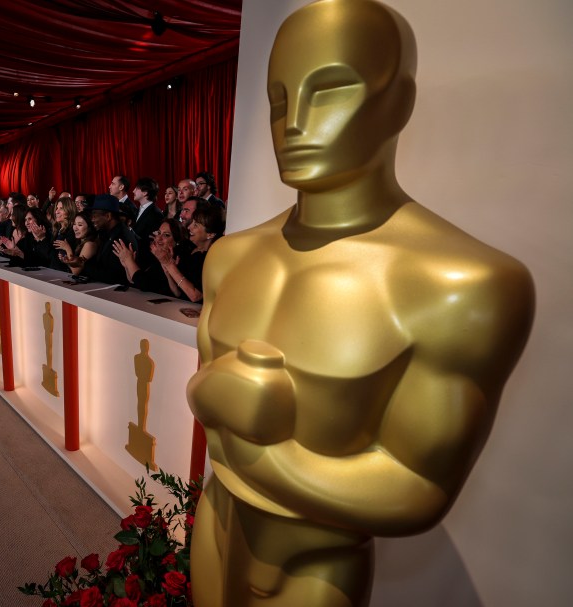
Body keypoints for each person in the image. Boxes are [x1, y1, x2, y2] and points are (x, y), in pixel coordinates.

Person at [186, 2, 535, 606]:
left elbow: (418, 487)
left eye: (329, 91)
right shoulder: (230, 257)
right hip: (215, 526)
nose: (292, 123)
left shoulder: (463, 284)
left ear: (398, 102)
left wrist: (263, 453)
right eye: (277, 100)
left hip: (314, 566)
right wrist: (216, 400)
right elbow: (206, 400)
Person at [80, 194, 138, 285]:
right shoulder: (108, 233)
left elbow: (113, 276)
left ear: (108, 216)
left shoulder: (121, 238)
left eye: (95, 215)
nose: (92, 219)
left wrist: (83, 265)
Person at [54, 210, 98, 276]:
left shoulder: (90, 244)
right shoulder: (80, 241)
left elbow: (76, 271)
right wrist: (65, 260)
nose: (75, 228)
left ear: (90, 227)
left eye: (80, 225)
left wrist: (68, 249)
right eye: (74, 224)